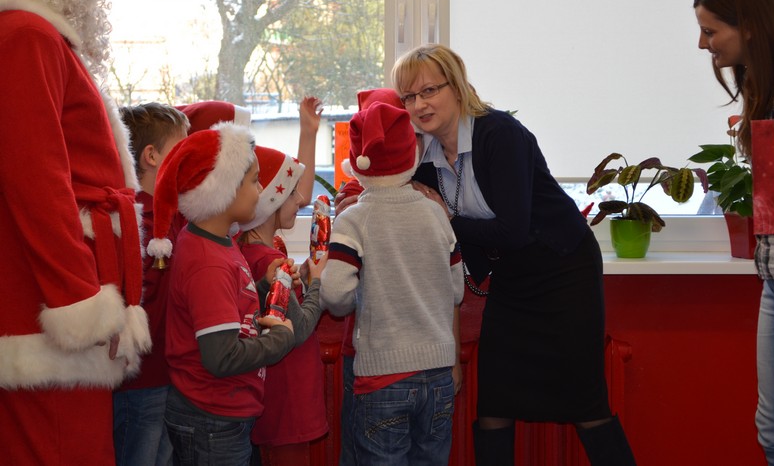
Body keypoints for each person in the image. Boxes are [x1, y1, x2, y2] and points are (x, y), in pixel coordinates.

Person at [390, 43, 636, 466]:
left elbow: (511, 229)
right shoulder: (424, 157)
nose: (419, 105)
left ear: (457, 86)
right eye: (409, 97)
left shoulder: (498, 133)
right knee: (494, 403)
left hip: (563, 271)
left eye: (429, 91)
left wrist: (445, 217)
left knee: (586, 402)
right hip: (512, 281)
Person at [0, 0, 152, 464]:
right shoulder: (26, 35)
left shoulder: (39, 37)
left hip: (52, 303)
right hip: (50, 313)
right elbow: (35, 184)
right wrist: (81, 305)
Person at [694, 0, 774, 465]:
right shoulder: (769, 89)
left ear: (750, 26)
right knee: (773, 433)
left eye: (710, 31)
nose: (703, 44)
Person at [146, 121, 298, 465]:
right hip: (212, 420)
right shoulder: (208, 262)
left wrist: (261, 286)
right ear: (225, 189)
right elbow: (221, 357)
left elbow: (227, 305)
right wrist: (280, 340)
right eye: (255, 181)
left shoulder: (216, 241)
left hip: (219, 413)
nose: (261, 190)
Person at [321, 101, 464, 465]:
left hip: (382, 376)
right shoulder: (435, 213)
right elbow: (456, 290)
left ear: (356, 163)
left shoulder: (354, 219)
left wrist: (364, 295)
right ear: (412, 154)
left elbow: (335, 295)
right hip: (438, 374)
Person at [238, 97, 329, 465]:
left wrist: (308, 132)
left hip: (275, 395)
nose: (301, 200)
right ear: (271, 204)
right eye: (291, 195)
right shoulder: (269, 261)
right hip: (287, 396)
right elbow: (300, 328)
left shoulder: (252, 251)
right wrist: (317, 282)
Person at [114, 102, 190, 466]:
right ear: (152, 156)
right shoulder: (135, 218)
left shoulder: (172, 212)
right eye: (182, 148)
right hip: (140, 379)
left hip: (168, 372)